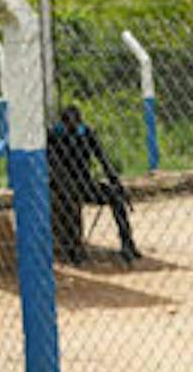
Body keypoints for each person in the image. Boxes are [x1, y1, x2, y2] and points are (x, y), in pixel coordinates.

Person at [49, 103, 139, 266]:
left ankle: (127, 243)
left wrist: (116, 183)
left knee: (115, 197)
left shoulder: (87, 134)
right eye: (70, 124)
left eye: (76, 124)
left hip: (85, 183)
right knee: (71, 200)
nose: (74, 128)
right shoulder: (54, 137)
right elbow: (54, 167)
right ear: (63, 123)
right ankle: (74, 248)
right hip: (61, 186)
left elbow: (103, 159)